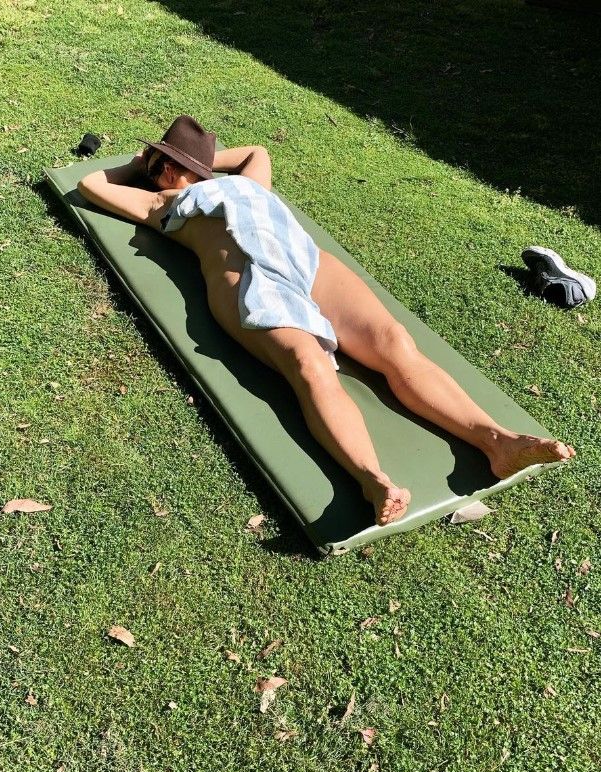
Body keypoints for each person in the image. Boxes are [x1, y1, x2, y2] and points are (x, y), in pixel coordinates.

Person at [77, 115, 575, 526]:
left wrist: (186, 163)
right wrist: (149, 166)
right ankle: (373, 480)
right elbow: (89, 184)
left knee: (394, 342)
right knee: (309, 363)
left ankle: (496, 441)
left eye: (160, 163)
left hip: (309, 265)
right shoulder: (161, 203)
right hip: (248, 279)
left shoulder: (247, 183)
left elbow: (255, 151)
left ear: (173, 164)